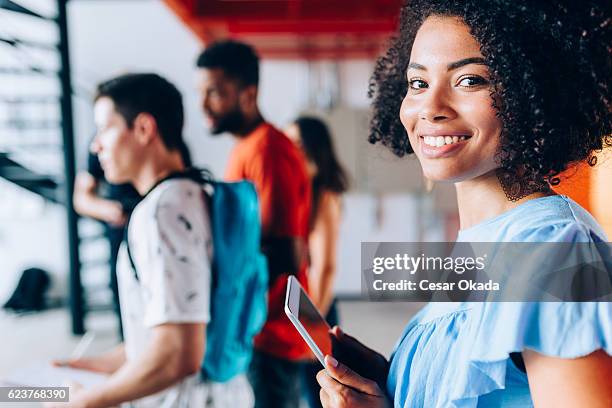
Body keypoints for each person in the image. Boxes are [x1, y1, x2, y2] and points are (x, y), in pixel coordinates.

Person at [316, 1, 612, 407]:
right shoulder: (484, 242)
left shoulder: (553, 250)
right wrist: (398, 381)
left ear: (533, 91)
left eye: (470, 80)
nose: (431, 108)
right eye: (418, 83)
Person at [52, 73, 252, 407]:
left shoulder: (162, 212)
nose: (95, 144)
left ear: (144, 129)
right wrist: (100, 367)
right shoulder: (198, 193)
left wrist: (85, 402)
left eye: (104, 128)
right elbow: (175, 331)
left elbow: (178, 355)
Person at [196, 40, 312, 407]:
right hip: (255, 328)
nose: (204, 105)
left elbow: (285, 253)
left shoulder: (268, 151)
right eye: (202, 92)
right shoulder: (247, 147)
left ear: (248, 93)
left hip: (271, 331)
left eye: (215, 93)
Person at [285, 117, 348, 408]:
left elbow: (325, 267)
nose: (290, 151)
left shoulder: (325, 195)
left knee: (320, 395)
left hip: (317, 310)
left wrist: (312, 328)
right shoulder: (303, 191)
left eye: (296, 144)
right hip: (306, 307)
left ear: (313, 149)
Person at [74, 141, 141, 338]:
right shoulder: (99, 144)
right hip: (121, 236)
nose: (95, 146)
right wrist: (110, 210)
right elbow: (81, 199)